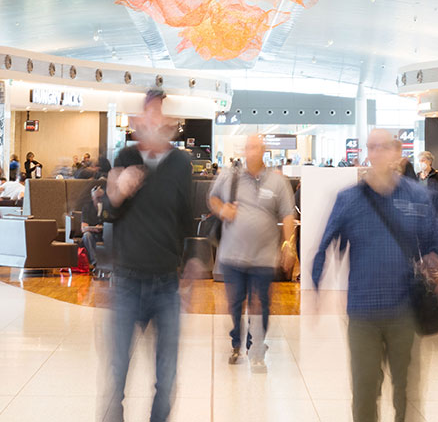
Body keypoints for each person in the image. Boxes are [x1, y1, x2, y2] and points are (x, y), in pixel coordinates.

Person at [311, 129, 438, 422]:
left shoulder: (415, 195)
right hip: (362, 314)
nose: (377, 154)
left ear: (397, 152)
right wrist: (316, 284)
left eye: (383, 148)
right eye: (372, 148)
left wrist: (437, 257)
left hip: (405, 312)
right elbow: (325, 244)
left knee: (406, 394)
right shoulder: (349, 199)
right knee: (364, 394)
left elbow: (436, 235)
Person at [99, 90, 193, 422]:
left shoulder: (181, 163)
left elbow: (186, 218)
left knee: (166, 377)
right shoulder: (125, 157)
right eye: (148, 114)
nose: (154, 120)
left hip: (166, 283)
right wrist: (118, 191)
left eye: (160, 114)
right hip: (126, 281)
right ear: (140, 121)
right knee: (116, 374)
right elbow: (108, 213)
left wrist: (191, 268)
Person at [208, 135, 296, 373]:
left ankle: (257, 347)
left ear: (264, 151)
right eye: (248, 148)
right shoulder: (230, 177)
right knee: (236, 303)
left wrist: (289, 245)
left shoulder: (278, 183)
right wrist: (222, 209)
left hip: (264, 257)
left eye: (256, 147)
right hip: (233, 254)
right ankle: (237, 341)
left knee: (262, 304)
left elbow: (288, 215)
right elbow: (212, 199)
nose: (251, 152)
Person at [415, 151, 438, 216]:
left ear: (430, 161)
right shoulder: (417, 176)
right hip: (419, 209)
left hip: (432, 209)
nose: (421, 163)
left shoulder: (436, 176)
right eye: (419, 161)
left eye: (423, 160)